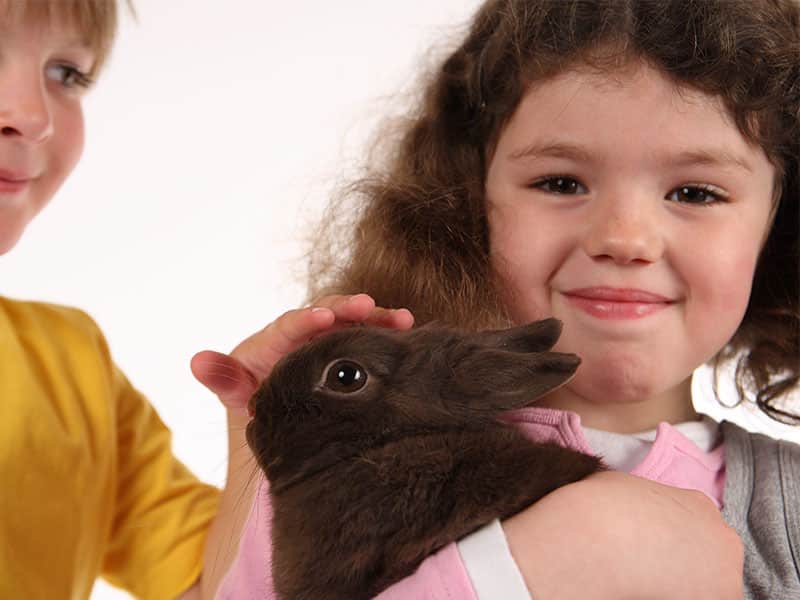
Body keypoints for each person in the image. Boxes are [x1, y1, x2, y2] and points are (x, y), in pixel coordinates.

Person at [198, 0, 799, 598]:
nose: (624, 238)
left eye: (696, 192)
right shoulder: (358, 455)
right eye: (561, 182)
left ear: (778, 223)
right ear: (469, 201)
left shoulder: (790, 510)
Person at [0, 2, 263, 598]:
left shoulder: (69, 361)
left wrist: (262, 429)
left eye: (66, 72)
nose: (33, 116)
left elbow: (229, 585)